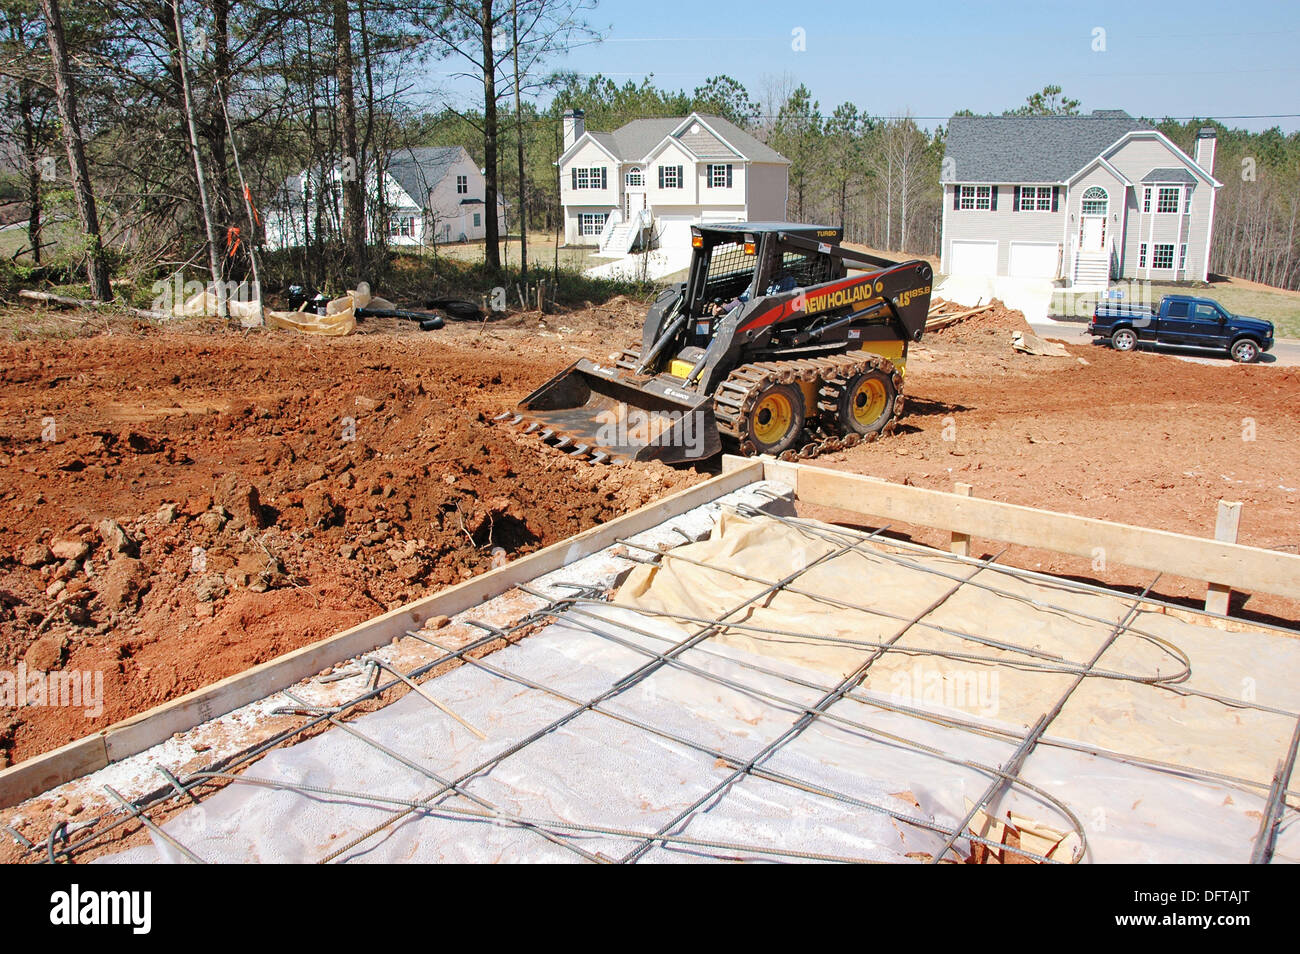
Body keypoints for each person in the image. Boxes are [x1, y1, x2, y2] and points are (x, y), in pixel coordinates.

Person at [708, 272, 799, 318]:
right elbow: (743, 300)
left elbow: (788, 306)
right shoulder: (760, 281)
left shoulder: (787, 281)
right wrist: (724, 309)